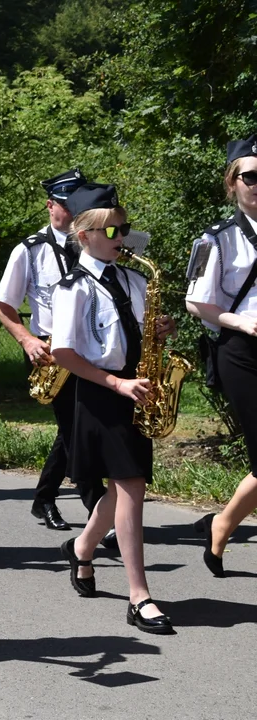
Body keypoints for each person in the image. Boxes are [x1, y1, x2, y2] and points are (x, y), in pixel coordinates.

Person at [52, 183, 175, 634]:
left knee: (126, 486)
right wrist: (117, 383)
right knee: (132, 487)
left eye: (123, 228)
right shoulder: (73, 288)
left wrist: (162, 332)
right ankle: (139, 594)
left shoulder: (134, 279)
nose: (121, 237)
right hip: (102, 392)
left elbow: (140, 338)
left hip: (136, 388)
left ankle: (83, 547)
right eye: (112, 229)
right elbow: (64, 353)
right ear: (84, 235)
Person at [0, 168, 107, 531]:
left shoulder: (96, 245)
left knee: (74, 429)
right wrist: (26, 339)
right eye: (66, 204)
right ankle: (100, 513)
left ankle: (44, 498)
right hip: (50, 352)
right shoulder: (29, 250)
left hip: (92, 350)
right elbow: (3, 304)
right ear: (50, 205)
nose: (74, 211)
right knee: (77, 430)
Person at [187, 135, 257, 577]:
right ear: (232, 183)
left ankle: (222, 523)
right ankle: (224, 523)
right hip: (243, 352)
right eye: (251, 176)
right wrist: (242, 323)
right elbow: (197, 301)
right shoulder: (216, 239)